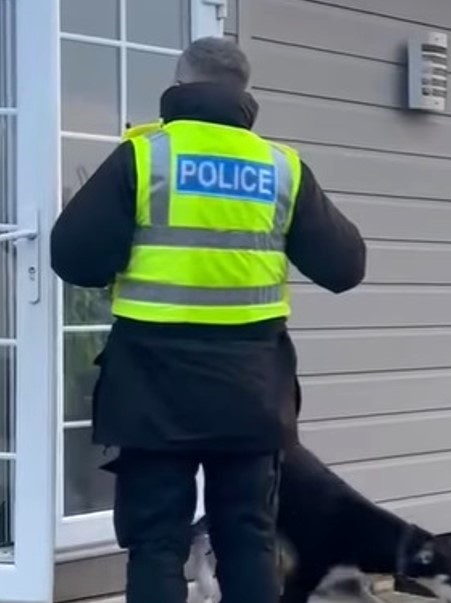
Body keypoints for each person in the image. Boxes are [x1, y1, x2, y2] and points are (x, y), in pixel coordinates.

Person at [50, 36, 366, 603]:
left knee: (157, 545)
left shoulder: (146, 157)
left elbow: (73, 259)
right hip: (250, 390)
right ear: (244, 93)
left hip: (153, 386)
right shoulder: (281, 169)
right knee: (247, 538)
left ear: (178, 84)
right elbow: (345, 267)